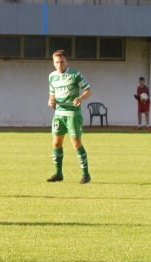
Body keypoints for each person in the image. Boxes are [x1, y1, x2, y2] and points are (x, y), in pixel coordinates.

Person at [47, 49, 92, 184]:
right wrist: (50, 101)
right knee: (56, 143)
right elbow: (52, 94)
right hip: (59, 114)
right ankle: (59, 173)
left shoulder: (74, 75)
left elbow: (88, 90)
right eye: (57, 62)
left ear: (66, 61)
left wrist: (80, 98)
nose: (59, 65)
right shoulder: (52, 77)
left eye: (62, 62)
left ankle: (86, 175)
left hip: (72, 114)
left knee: (76, 144)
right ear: (53, 63)